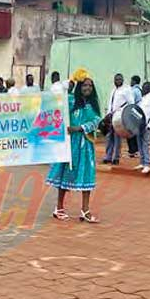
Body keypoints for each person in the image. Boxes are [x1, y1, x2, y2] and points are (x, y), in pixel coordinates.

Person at [45, 68, 102, 223]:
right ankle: (59, 208)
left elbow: (97, 120)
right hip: (70, 143)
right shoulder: (69, 101)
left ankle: (85, 210)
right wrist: (68, 85)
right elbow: (58, 106)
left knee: (87, 175)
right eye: (84, 85)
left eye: (90, 86)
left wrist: (80, 128)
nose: (87, 88)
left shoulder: (93, 105)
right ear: (79, 87)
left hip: (86, 145)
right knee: (66, 174)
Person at [103, 73, 133, 165]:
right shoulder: (113, 90)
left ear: (123, 80)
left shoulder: (126, 90)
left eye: (119, 79)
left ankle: (115, 157)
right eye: (116, 79)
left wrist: (123, 113)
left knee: (117, 137)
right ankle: (108, 156)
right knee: (109, 137)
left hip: (119, 117)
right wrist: (108, 114)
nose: (118, 81)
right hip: (111, 116)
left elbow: (131, 103)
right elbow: (110, 104)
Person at [127, 75, 143, 158]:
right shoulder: (140, 90)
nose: (130, 82)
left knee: (130, 132)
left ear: (134, 81)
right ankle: (136, 150)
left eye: (131, 80)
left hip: (133, 112)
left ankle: (133, 150)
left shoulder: (133, 91)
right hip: (138, 112)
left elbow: (131, 102)